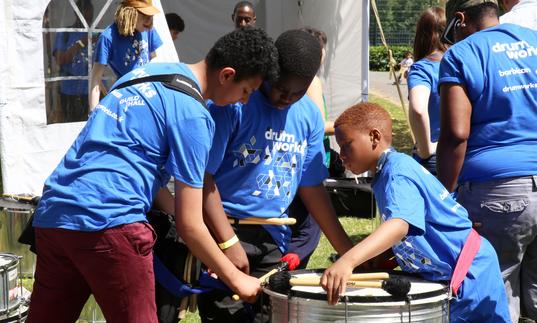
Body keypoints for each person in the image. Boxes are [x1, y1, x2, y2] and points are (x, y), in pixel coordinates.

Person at [26, 27, 279, 323]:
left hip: (55, 214)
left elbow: (147, 174)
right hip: (111, 222)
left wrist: (214, 250)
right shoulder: (195, 116)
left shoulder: (142, 74)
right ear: (226, 75)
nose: (244, 101)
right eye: (246, 91)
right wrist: (235, 278)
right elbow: (189, 224)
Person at [198, 29, 354, 323]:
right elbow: (204, 179)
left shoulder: (308, 115)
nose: (286, 97)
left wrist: (348, 251)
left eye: (297, 92)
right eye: (281, 87)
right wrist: (227, 243)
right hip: (226, 230)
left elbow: (312, 189)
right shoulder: (236, 101)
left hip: (274, 239)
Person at [321, 102, 510, 322]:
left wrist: (348, 261)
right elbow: (417, 226)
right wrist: (380, 256)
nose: (341, 154)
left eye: (346, 145)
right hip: (454, 277)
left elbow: (400, 224)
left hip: (471, 276)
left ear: (374, 137)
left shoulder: (397, 172)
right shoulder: (385, 174)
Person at [437, 0, 537, 321]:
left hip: (498, 196)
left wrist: (442, 194)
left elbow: (456, 133)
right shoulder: (533, 41)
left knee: (494, 295)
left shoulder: (462, 54)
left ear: (460, 19)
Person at [284, 27, 334, 270]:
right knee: (306, 228)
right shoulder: (311, 81)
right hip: (303, 167)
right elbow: (320, 123)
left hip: (307, 169)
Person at [89, 0, 163, 110]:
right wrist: (93, 113)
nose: (149, 20)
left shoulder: (148, 29)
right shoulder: (108, 37)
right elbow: (95, 78)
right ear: (129, 13)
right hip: (127, 99)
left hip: (150, 94)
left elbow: (155, 57)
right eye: (145, 15)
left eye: (151, 15)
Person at [407, 7, 448, 175]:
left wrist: (426, 149)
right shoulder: (462, 63)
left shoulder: (422, 69)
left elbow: (418, 109)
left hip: (434, 159)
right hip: (465, 154)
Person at [53, 0, 95, 122]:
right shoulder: (65, 33)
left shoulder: (98, 33)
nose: (88, 21)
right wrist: (82, 43)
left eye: (90, 18)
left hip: (93, 90)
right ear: (77, 14)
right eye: (85, 17)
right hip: (70, 91)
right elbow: (60, 60)